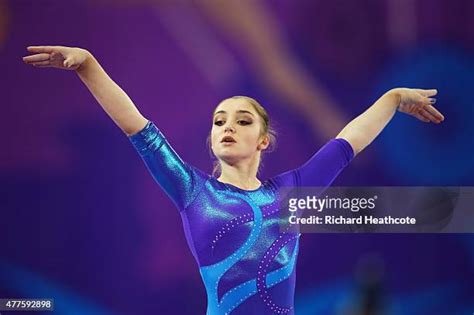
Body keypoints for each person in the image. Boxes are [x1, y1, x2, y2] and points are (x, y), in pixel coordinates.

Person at [23, 46, 444, 315]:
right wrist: (89, 66)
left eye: (242, 121)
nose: (227, 126)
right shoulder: (194, 190)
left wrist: (391, 99)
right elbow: (136, 127)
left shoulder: (291, 194)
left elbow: (347, 142)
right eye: (219, 121)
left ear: (263, 141)